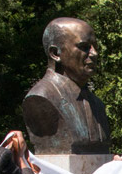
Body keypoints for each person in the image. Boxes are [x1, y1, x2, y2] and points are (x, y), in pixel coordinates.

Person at [22, 17, 111, 154]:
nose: (94, 53)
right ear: (55, 53)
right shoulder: (41, 98)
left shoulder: (97, 104)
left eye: (95, 47)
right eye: (84, 47)